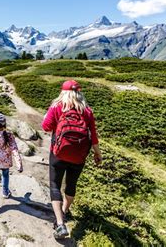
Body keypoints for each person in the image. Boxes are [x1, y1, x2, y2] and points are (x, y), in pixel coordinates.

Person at [41, 80, 103, 239]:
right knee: (71, 185)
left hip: (58, 153)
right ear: (79, 93)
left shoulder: (57, 106)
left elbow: (46, 127)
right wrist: (97, 154)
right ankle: (64, 212)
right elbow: (94, 137)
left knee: (55, 185)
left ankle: (60, 224)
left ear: (63, 92)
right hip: (79, 156)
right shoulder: (87, 111)